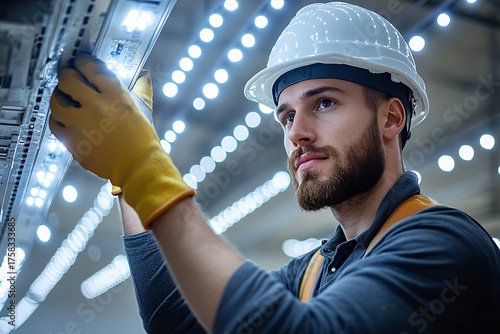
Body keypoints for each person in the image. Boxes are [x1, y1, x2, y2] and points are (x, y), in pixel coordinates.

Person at [49, 2, 500, 333]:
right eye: (286, 116)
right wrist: (129, 180)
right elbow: (177, 323)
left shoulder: (444, 244)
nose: (297, 132)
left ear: (391, 117)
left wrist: (145, 166)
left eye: (324, 102)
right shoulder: (315, 271)